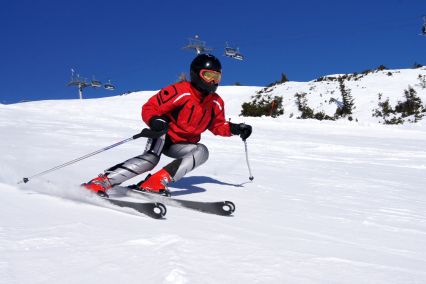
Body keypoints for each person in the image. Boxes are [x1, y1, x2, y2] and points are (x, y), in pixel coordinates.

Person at [82, 54, 252, 197]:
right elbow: (151, 107)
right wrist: (155, 120)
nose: (213, 81)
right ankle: (101, 182)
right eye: (208, 75)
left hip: (181, 145)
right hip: (163, 134)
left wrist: (236, 129)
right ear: (196, 74)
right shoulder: (181, 91)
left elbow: (217, 125)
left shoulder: (216, 102)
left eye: (217, 77)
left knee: (202, 151)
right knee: (150, 159)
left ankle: (154, 182)